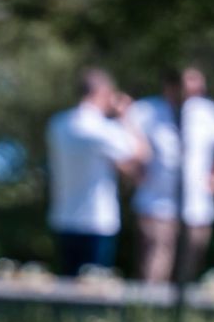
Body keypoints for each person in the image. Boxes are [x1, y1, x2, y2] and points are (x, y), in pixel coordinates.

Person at [131, 67, 214, 285]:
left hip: (196, 208)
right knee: (153, 273)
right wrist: (135, 170)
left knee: (188, 274)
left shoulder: (206, 112)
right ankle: (148, 309)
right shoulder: (146, 111)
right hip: (155, 206)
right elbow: (124, 140)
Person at [46, 68, 147, 276]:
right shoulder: (101, 129)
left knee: (66, 285)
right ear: (102, 92)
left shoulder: (58, 124)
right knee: (94, 288)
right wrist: (126, 117)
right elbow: (141, 153)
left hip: (64, 217)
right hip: (97, 220)